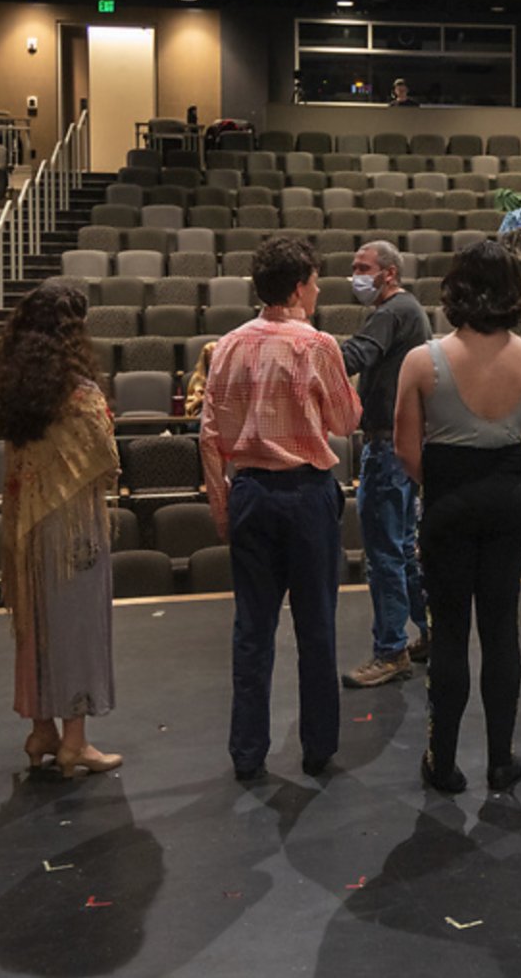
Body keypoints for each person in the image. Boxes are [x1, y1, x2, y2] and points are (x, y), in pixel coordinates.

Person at [200, 236, 362, 781]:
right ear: (297, 287)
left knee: (252, 630)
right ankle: (318, 748)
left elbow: (210, 436)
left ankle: (247, 752)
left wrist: (221, 507)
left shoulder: (227, 346)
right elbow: (345, 422)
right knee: (316, 628)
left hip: (250, 492)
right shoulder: (317, 345)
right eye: (314, 283)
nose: (317, 292)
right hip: (306, 494)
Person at [394, 241, 521, 793]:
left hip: (448, 502)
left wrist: (449, 486)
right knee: (502, 628)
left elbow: (406, 451)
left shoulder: (423, 360)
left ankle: (442, 763)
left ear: (454, 288)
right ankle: (501, 760)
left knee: (449, 632)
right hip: (507, 499)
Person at [0, 281, 124, 776]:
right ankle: (75, 743)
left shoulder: (11, 391)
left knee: (36, 625)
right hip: (72, 526)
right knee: (76, 626)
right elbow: (106, 457)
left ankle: (41, 731)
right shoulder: (80, 395)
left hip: (25, 522)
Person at [338, 240, 433, 689]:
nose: (356, 275)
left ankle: (391, 651)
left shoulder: (393, 311)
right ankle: (428, 634)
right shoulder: (407, 310)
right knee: (403, 548)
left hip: (388, 445)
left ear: (389, 273)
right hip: (404, 443)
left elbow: (354, 356)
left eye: (363, 267)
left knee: (383, 554)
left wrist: (303, 349)